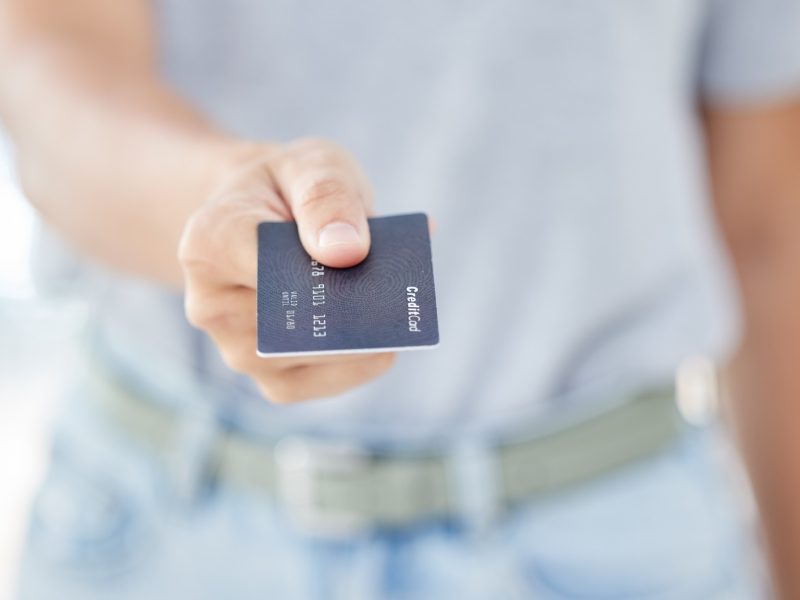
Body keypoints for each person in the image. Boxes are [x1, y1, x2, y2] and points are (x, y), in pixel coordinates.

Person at [2, 0, 800, 598]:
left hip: (609, 534)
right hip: (169, 525)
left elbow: (766, 228)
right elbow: (45, 72)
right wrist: (212, 201)